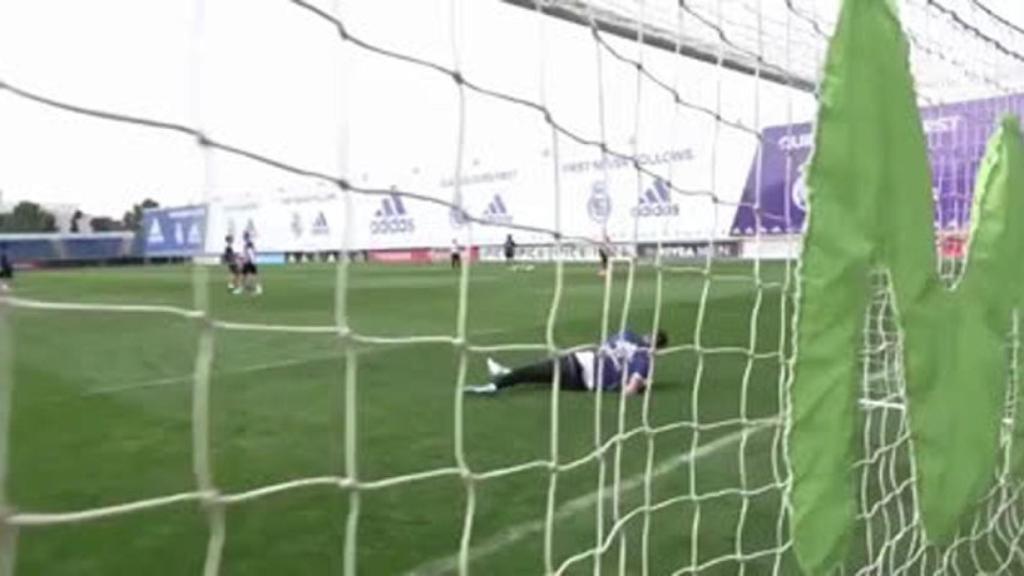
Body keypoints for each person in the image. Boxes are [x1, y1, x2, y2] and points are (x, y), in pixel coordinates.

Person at [465, 329, 668, 395]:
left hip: (582, 362)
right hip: (583, 383)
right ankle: (502, 377)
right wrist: (641, 385)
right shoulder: (644, 361)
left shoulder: (627, 332)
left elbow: (604, 346)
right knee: (540, 373)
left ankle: (497, 382)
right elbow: (629, 391)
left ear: (647, 334)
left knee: (539, 371)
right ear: (657, 349)